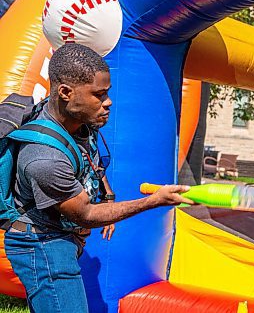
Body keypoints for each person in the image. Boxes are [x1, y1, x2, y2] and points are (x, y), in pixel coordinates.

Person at [4, 43, 194, 313]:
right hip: (42, 245)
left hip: (59, 236)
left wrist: (108, 196)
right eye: (99, 94)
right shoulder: (44, 158)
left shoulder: (76, 120)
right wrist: (153, 201)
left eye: (107, 93)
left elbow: (89, 161)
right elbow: (85, 215)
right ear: (66, 93)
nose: (108, 102)